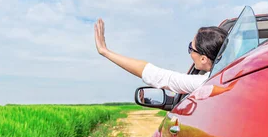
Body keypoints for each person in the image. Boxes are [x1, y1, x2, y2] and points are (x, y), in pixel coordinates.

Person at [94, 19, 228, 94]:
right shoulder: (231, 77)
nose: (190, 54)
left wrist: (105, 51)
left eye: (190, 48)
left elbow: (156, 75)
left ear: (203, 59)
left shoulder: (205, 83)